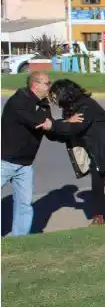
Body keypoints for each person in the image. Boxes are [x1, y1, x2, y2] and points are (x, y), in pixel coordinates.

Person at [47, 79, 105, 225]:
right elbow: (67, 132)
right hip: (96, 150)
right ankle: (98, 217)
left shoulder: (86, 104)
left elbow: (76, 128)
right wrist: (49, 130)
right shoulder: (69, 110)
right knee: (97, 185)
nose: (52, 99)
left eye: (54, 95)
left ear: (64, 93)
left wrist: (54, 125)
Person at [0, 72, 53, 236]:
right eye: (47, 83)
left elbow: (51, 130)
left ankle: (20, 239)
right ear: (35, 85)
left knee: (24, 204)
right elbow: (36, 123)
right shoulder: (18, 100)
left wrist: (63, 126)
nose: (50, 87)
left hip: (25, 164)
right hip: (4, 160)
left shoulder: (44, 104)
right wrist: (50, 124)